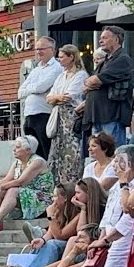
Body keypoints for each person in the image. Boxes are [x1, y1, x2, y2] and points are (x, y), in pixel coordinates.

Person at [0, 135, 54, 232]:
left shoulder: (37, 162)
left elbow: (20, 181)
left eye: (18, 147)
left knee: (12, 190)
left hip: (43, 199)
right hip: (26, 196)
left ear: (28, 150)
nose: (14, 149)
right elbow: (7, 179)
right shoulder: (17, 163)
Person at [47, 44, 90, 185]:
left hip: (72, 117)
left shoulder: (81, 75)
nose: (59, 60)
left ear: (71, 57)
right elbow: (49, 97)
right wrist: (56, 98)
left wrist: (56, 98)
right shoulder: (60, 76)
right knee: (57, 152)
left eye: (61, 57)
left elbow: (69, 96)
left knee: (71, 152)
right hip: (59, 118)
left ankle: (71, 183)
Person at [82, 26, 132, 147]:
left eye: (105, 37)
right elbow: (86, 84)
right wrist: (91, 83)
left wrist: (93, 83)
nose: (100, 41)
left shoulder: (122, 59)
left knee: (114, 153)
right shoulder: (105, 61)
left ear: (116, 40)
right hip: (97, 116)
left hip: (111, 116)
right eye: (100, 38)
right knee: (100, 155)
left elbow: (95, 80)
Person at [19, 37, 64, 158]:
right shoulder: (36, 70)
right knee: (32, 152)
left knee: (45, 150)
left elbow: (41, 87)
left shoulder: (57, 68)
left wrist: (31, 89)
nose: (38, 52)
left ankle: (46, 174)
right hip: (29, 114)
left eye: (42, 49)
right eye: (37, 49)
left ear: (52, 50)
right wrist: (33, 89)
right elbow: (20, 91)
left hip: (44, 114)